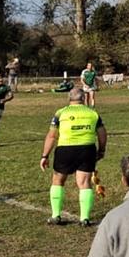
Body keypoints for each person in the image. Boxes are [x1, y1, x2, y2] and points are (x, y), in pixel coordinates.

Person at [41, 87, 107, 226]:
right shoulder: (92, 113)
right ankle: (84, 218)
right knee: (84, 183)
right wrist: (101, 150)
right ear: (84, 98)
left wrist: (45, 155)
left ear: (69, 98)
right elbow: (102, 133)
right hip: (87, 149)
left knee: (58, 181)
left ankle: (56, 216)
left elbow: (52, 136)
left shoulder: (61, 113)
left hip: (65, 149)